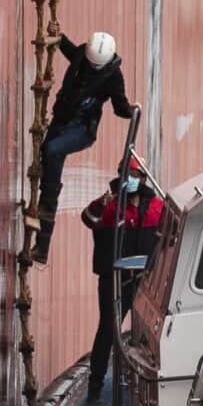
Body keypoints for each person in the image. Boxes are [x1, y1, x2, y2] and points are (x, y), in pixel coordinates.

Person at [29, 31, 134, 262]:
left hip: (82, 129)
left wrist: (130, 110)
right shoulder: (82, 55)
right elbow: (69, 49)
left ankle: (46, 204)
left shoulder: (113, 76)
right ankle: (42, 244)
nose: (93, 68)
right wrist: (59, 36)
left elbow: (119, 105)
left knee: (52, 151)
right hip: (63, 119)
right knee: (49, 160)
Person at [82, 159, 166, 403]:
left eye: (134, 174)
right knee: (108, 329)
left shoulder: (157, 207)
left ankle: (149, 384)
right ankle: (95, 386)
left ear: (142, 178)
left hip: (145, 281)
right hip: (114, 280)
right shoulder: (109, 207)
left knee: (150, 331)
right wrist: (101, 204)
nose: (129, 179)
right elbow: (88, 218)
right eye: (125, 174)